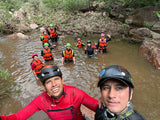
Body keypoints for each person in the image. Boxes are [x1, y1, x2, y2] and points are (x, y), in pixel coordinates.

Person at [0, 65, 98, 120]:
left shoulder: (75, 93)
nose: (54, 84)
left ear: (62, 81)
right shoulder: (41, 101)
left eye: (56, 79)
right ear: (43, 87)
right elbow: (18, 116)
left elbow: (98, 107)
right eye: (48, 82)